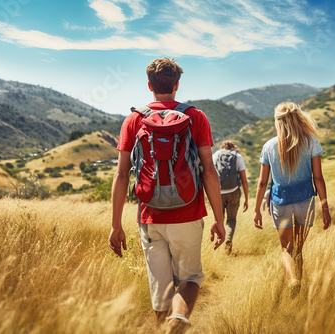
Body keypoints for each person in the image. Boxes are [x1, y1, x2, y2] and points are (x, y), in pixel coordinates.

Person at [109, 57, 225, 332]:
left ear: (150, 86)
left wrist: (116, 225)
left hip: (149, 217)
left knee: (160, 291)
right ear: (177, 85)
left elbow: (122, 175)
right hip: (188, 213)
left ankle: (166, 323)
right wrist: (219, 219)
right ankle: (177, 321)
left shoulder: (134, 119)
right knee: (190, 280)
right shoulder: (196, 117)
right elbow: (209, 171)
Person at [253, 102, 331, 288]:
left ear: (278, 121)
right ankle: (298, 284)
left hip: (281, 203)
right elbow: (318, 178)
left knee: (286, 250)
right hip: (306, 202)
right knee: (299, 249)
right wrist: (325, 208)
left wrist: (256, 210)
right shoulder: (311, 142)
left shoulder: (269, 146)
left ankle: (294, 281)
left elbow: (263, 182)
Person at [213, 140, 249, 255]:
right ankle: (228, 240)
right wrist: (246, 199)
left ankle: (219, 242)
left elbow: (210, 174)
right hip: (233, 192)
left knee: (220, 219)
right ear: (233, 147)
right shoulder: (238, 157)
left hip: (219, 193)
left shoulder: (216, 155)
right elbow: (244, 179)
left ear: (222, 147)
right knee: (231, 220)